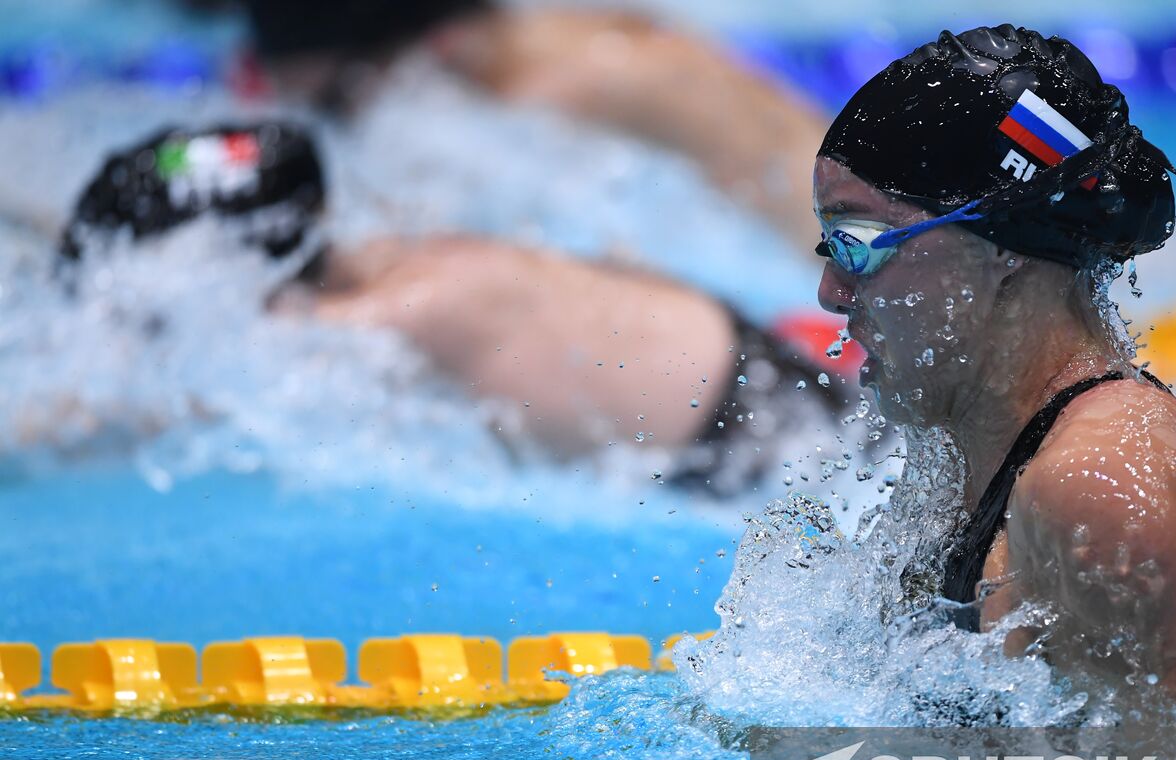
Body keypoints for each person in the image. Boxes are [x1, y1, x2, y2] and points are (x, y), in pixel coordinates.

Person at [811, 26, 1176, 726]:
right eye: (827, 245)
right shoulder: (981, 446)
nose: (830, 291)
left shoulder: (1101, 483)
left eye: (856, 246)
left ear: (999, 242)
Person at [57, 122, 854, 495]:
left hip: (775, 448)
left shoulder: (399, 310)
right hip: (769, 375)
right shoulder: (395, 256)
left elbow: (165, 408)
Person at [218, 0, 827, 249]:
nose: (352, 124)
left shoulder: (605, 78)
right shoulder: (486, 100)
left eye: (339, 101)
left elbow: (834, 201)